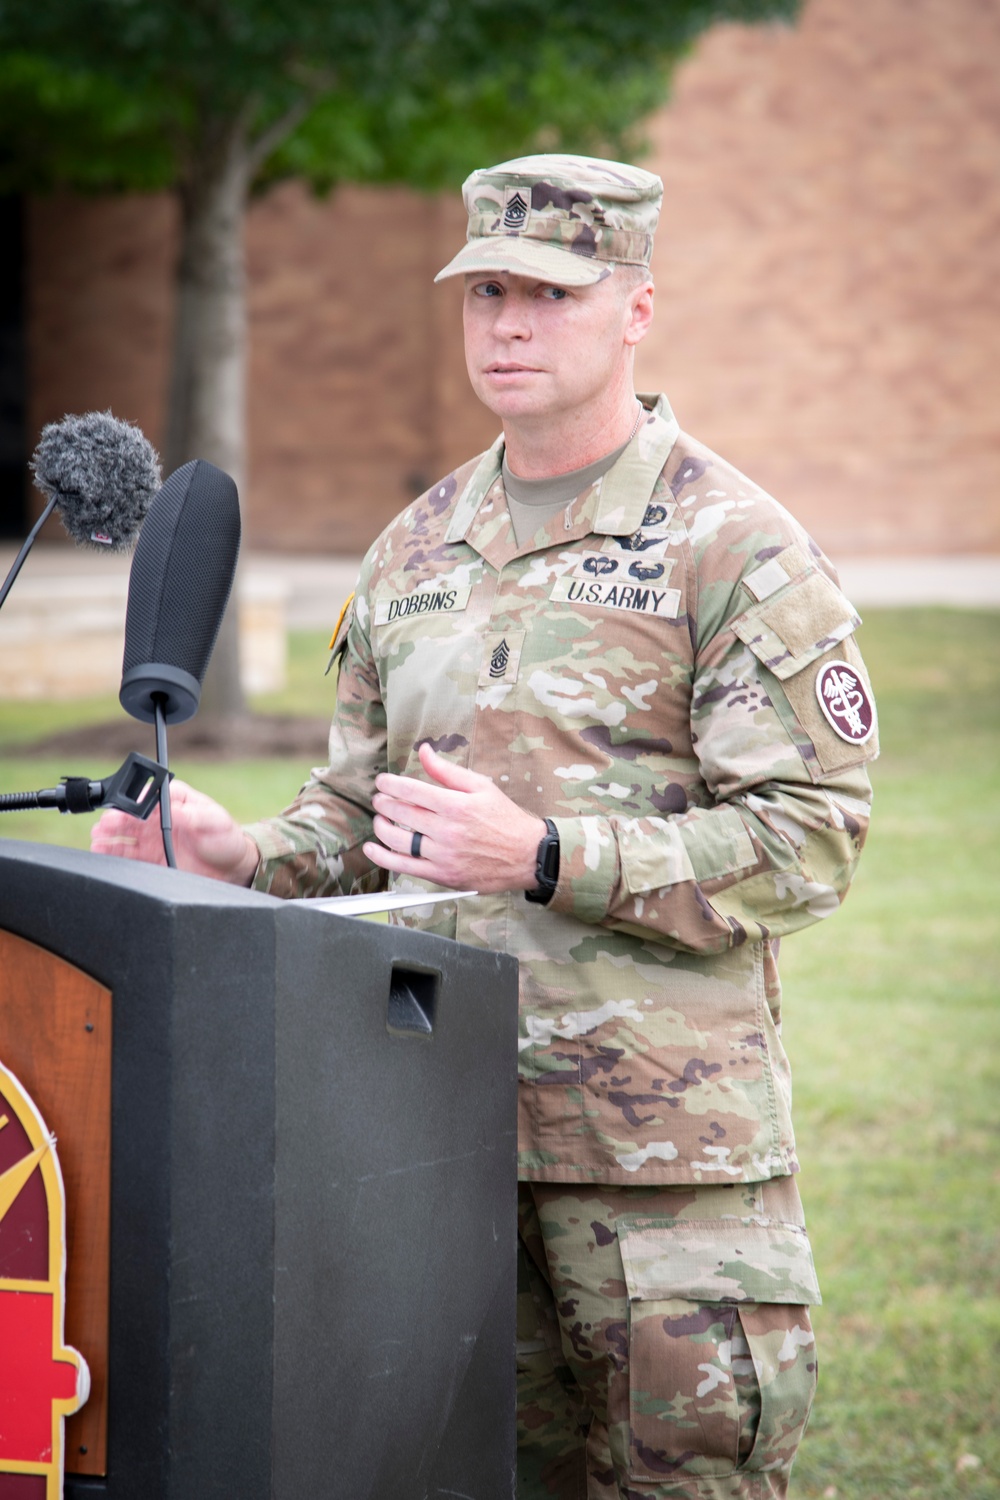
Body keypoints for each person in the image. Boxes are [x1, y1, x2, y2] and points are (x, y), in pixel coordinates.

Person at [92, 154, 878, 1498]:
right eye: (487, 293)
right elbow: (360, 817)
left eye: (551, 296)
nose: (509, 326)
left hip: (659, 1169)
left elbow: (811, 835)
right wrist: (243, 857)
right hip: (429, 1140)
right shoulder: (414, 549)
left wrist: (550, 858)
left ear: (637, 307)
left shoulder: (730, 546)